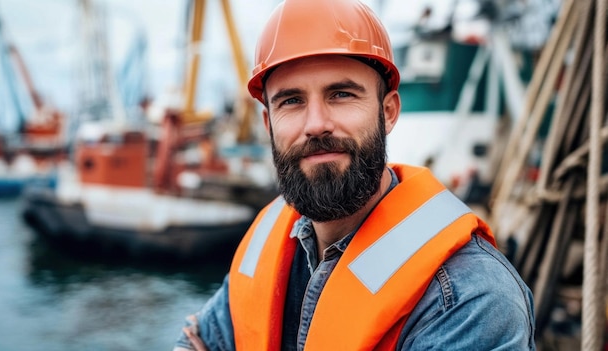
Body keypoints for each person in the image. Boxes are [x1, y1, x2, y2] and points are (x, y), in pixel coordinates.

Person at [173, 0, 536, 349]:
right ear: (268, 123)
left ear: (389, 111)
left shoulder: (469, 300)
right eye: (291, 100)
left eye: (341, 94)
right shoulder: (264, 243)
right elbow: (198, 340)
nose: (316, 124)